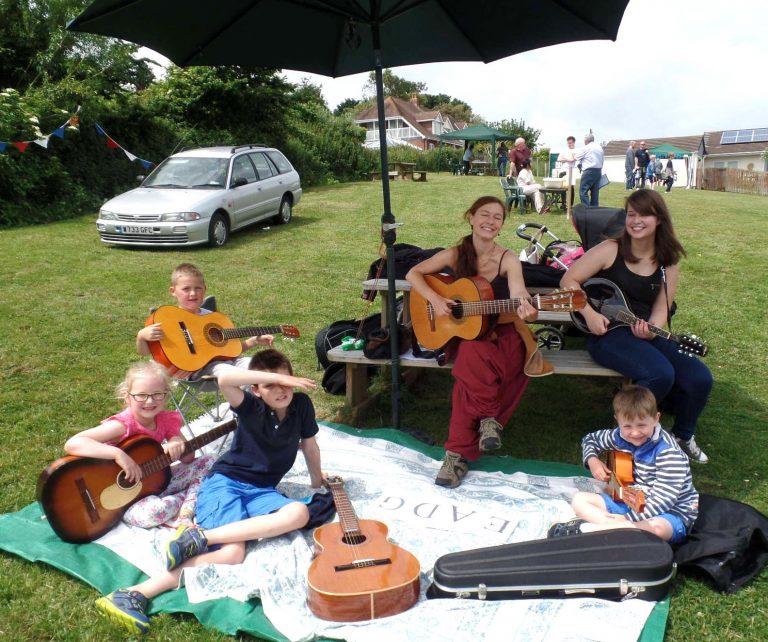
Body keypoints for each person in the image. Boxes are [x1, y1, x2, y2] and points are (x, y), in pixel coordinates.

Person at [94, 349, 324, 634]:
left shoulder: (301, 405)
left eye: (285, 382)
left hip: (262, 489)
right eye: (271, 385)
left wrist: (317, 482)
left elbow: (310, 446)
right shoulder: (251, 406)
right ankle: (136, 593)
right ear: (255, 389)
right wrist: (280, 378)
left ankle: (199, 538)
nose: (281, 390)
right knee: (233, 554)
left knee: (299, 512)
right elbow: (224, 378)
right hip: (226, 483)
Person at [560, 189, 713, 463]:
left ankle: (682, 437)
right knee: (659, 374)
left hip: (643, 330)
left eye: (644, 215)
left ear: (659, 220)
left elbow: (662, 307)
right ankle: (625, 439)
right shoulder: (611, 249)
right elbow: (568, 281)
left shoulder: (668, 261)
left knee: (700, 377)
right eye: (631, 214)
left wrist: (652, 328)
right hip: (606, 334)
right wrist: (590, 315)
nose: (636, 220)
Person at [405, 196, 540, 488]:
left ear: (502, 225)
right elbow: (413, 273)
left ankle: (456, 455)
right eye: (484, 214)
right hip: (466, 333)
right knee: (471, 352)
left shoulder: (507, 259)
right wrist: (435, 299)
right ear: (471, 217)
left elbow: (518, 292)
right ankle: (488, 419)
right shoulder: (455, 254)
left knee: (469, 370)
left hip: (504, 334)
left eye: (497, 217)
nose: (490, 221)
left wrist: (526, 307)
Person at [64, 361, 214, 529]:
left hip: (153, 483)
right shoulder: (123, 425)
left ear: (166, 395)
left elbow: (189, 458)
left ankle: (184, 512)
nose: (149, 401)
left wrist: (177, 442)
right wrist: (118, 454)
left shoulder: (166, 420)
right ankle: (185, 499)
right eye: (141, 395)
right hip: (123, 499)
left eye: (157, 394)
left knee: (210, 460)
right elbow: (73, 443)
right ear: (127, 397)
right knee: (154, 513)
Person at [547, 385, 698, 543]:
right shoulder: (618, 436)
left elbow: (664, 500)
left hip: (670, 513)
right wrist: (592, 460)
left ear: (656, 418)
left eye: (641, 425)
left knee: (658, 528)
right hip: (632, 501)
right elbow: (590, 440)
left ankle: (591, 530)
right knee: (579, 500)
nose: (635, 432)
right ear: (617, 421)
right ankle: (614, 530)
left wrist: (627, 518)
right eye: (627, 426)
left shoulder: (668, 452)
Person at [136, 263, 273, 378]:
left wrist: (253, 341)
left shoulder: (214, 318)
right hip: (199, 372)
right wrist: (141, 336)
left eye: (198, 288)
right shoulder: (168, 318)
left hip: (229, 364)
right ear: (173, 291)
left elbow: (230, 351)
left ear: (205, 290)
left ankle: (256, 402)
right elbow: (146, 352)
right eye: (186, 289)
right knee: (231, 372)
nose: (193, 293)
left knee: (263, 367)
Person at [573, 131, 604, 206]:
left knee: (583, 191)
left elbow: (576, 157)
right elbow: (602, 160)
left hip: (589, 171)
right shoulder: (600, 148)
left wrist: (573, 155)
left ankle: (587, 209)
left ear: (586, 140)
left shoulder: (586, 148)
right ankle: (595, 210)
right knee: (595, 192)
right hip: (598, 171)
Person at [557, 135, 578, 207]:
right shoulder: (564, 150)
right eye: (568, 143)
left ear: (574, 142)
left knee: (571, 187)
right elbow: (559, 159)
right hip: (563, 171)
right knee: (562, 187)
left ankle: (570, 204)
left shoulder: (576, 150)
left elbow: (573, 159)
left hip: (572, 170)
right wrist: (567, 160)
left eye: (570, 143)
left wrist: (566, 159)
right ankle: (563, 203)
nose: (569, 144)